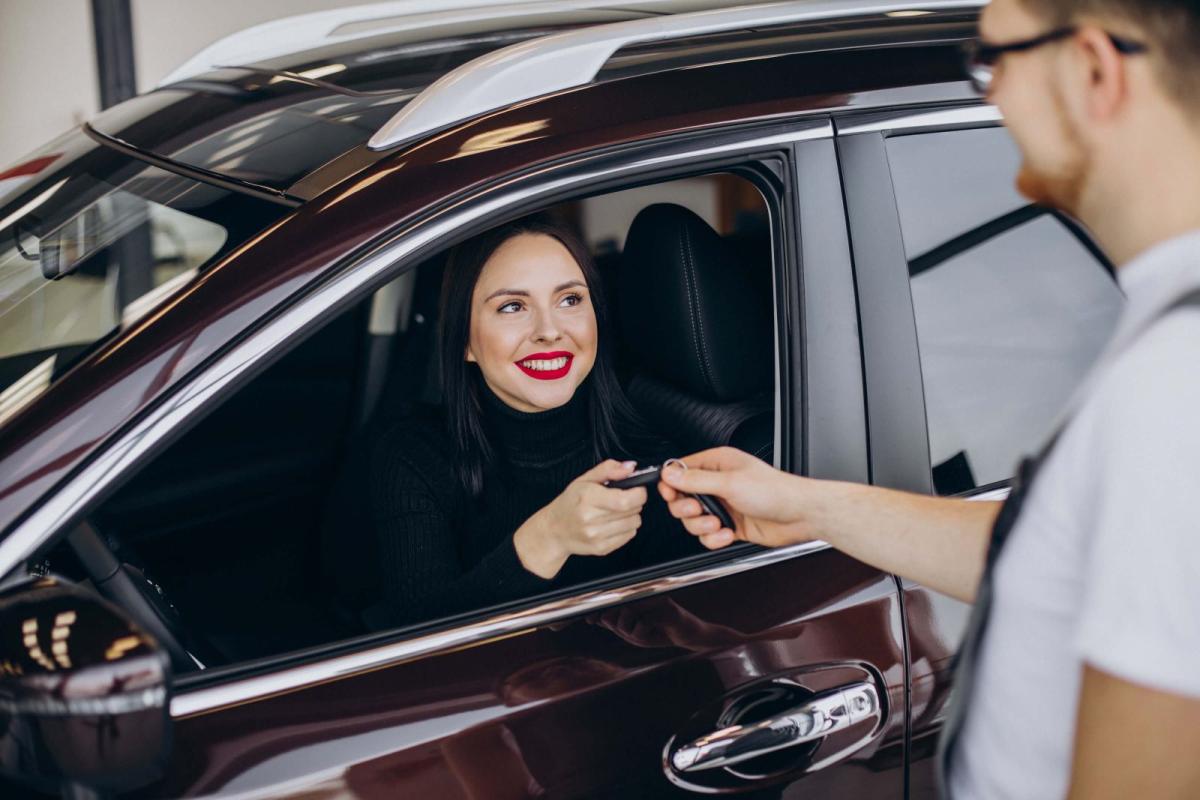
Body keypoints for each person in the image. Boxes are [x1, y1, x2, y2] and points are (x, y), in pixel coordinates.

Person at [658, 0, 1200, 797]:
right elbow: (1051, 554)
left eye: (994, 62)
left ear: (1093, 70)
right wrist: (808, 506)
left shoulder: (1170, 389)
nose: (990, 95)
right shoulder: (1165, 340)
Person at [357, 214, 696, 629]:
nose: (549, 331)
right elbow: (418, 641)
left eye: (570, 300)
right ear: (464, 340)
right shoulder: (413, 455)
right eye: (513, 306)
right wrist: (547, 539)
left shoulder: (653, 457)